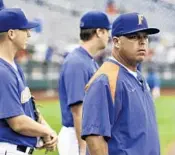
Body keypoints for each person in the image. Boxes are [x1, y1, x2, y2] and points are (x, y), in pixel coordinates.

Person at [81, 12, 160, 155]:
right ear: (116, 42)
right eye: (134, 37)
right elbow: (95, 138)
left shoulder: (138, 76)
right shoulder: (104, 80)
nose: (142, 42)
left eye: (145, 37)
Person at [0, 8, 57, 155]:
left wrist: (43, 126)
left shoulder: (13, 66)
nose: (29, 34)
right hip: (9, 148)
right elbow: (17, 123)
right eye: (24, 30)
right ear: (11, 34)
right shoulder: (2, 71)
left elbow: (30, 106)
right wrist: (46, 131)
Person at [58, 11, 111, 155]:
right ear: (99, 32)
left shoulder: (87, 60)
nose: (109, 36)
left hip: (83, 134)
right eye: (107, 31)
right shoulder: (77, 62)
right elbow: (78, 111)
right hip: (76, 136)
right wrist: (82, 148)